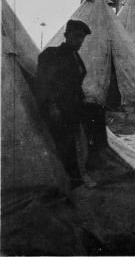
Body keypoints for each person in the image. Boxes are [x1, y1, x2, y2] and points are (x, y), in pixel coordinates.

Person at [37, 19, 97, 188]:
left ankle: (83, 170)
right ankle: (73, 178)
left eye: (81, 38)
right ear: (66, 36)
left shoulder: (75, 56)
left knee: (89, 129)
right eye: (75, 37)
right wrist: (52, 106)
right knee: (66, 142)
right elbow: (44, 84)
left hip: (73, 106)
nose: (78, 41)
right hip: (59, 107)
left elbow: (76, 83)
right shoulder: (51, 54)